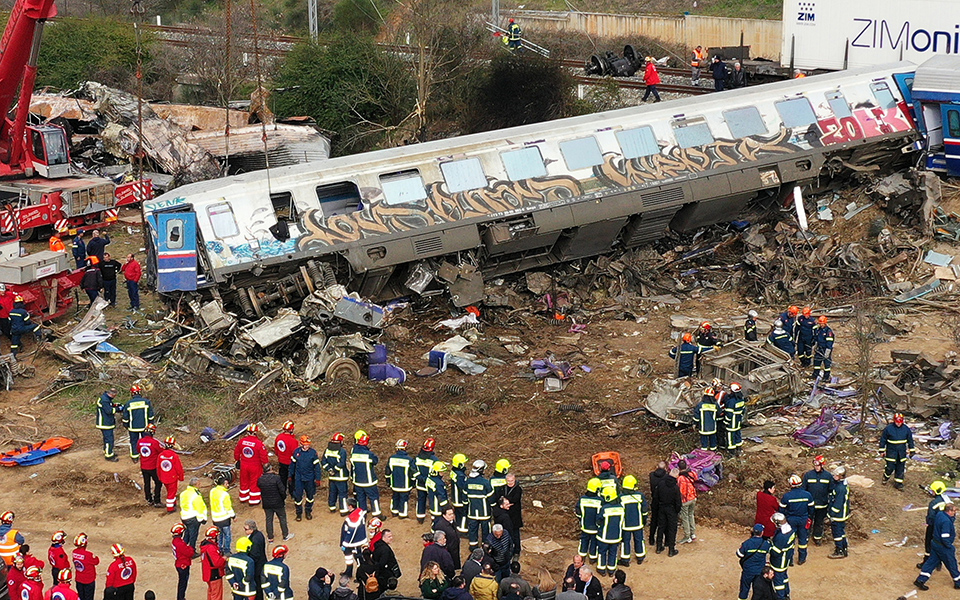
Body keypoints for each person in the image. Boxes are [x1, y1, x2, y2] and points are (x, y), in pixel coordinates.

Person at [915, 502, 960, 590]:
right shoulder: (946, 522)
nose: (955, 513)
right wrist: (950, 546)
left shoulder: (940, 514)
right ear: (949, 511)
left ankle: (921, 579)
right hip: (943, 546)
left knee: (931, 562)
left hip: (935, 543)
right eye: (954, 511)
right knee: (951, 563)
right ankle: (958, 582)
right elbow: (945, 537)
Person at [779, 475, 814, 565]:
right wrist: (809, 517)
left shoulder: (787, 496)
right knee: (803, 540)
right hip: (803, 519)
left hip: (791, 520)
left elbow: (781, 510)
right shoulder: (807, 495)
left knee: (790, 539)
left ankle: (790, 559)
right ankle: (802, 559)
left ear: (791, 484)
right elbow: (811, 509)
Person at [235, 424, 270, 506]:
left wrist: (238, 460)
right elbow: (263, 457)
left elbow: (236, 453)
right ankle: (254, 500)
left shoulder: (241, 441)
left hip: (244, 464)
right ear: (255, 433)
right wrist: (265, 464)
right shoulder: (259, 444)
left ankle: (243, 497)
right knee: (254, 482)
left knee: (244, 481)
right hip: (255, 465)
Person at [919, 481, 952, 568]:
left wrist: (929, 524)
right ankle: (938, 563)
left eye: (932, 491)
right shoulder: (948, 501)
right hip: (945, 527)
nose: (931, 492)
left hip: (934, 527)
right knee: (940, 544)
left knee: (929, 544)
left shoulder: (933, 503)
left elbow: (931, 517)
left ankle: (926, 562)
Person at [801, 455, 832, 546]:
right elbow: (804, 489)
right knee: (807, 522)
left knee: (819, 523)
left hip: (822, 505)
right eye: (815, 465)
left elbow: (831, 490)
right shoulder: (808, 475)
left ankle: (817, 538)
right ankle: (805, 537)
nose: (816, 467)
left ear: (822, 465)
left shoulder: (828, 476)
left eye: (818, 465)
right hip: (810, 505)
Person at [464, 460, 494, 551]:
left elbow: (464, 498)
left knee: (472, 530)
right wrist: (494, 506)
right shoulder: (485, 482)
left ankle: (473, 546)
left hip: (472, 512)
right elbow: (491, 498)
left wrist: (466, 507)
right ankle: (485, 546)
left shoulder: (467, 482)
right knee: (486, 530)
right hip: (484, 513)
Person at [258, 463, 293, 542]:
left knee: (269, 520)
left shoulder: (260, 479)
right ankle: (285, 535)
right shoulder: (276, 478)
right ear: (270, 469)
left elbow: (260, 487)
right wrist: (283, 498)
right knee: (282, 518)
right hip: (278, 503)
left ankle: (270, 537)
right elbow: (282, 490)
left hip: (267, 503)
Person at [291, 435, 322, 522]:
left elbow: (317, 467)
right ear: (301, 444)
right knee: (298, 497)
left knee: (310, 496)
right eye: (305, 444)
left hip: (309, 478)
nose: (307, 446)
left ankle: (308, 511)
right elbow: (292, 465)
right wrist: (290, 476)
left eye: (308, 444)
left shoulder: (313, 453)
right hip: (299, 479)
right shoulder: (296, 452)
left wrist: (318, 478)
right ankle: (298, 513)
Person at [881, 412, 916, 490]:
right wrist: (881, 450)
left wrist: (912, 450)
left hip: (901, 452)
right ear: (894, 420)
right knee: (890, 467)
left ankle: (898, 483)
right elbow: (883, 440)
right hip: (891, 451)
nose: (898, 424)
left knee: (900, 468)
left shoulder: (906, 429)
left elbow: (910, 440)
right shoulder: (888, 428)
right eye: (897, 422)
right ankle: (886, 477)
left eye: (900, 422)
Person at [351, 430, 382, 517]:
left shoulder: (354, 453)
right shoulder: (369, 454)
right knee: (374, 497)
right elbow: (375, 461)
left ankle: (362, 515)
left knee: (361, 499)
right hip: (369, 481)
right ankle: (377, 514)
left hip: (358, 481)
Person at [594, 487, 623, 577]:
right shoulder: (621, 508)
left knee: (602, 552)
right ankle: (611, 570)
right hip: (616, 536)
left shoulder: (604, 508)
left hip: (604, 536)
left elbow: (598, 521)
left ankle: (601, 569)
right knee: (613, 553)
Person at [618, 475, 647, 566]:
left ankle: (625, 560)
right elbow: (644, 510)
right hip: (638, 523)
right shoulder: (639, 496)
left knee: (625, 541)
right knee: (639, 540)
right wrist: (644, 520)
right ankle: (640, 557)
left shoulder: (620, 497)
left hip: (625, 524)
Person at [737, 524, 770, 600]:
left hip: (748, 570)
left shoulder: (747, 543)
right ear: (762, 533)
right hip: (759, 571)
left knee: (744, 589)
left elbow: (739, 554)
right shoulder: (766, 544)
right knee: (758, 590)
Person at [122, 385, 154, 462]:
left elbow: (125, 417)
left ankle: (135, 457)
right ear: (140, 392)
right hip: (145, 427)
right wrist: (151, 424)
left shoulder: (128, 403)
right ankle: (147, 455)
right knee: (147, 441)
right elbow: (151, 415)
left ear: (132, 393)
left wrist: (126, 425)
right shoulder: (146, 402)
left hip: (133, 427)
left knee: (134, 442)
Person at [655, 468, 681, 557]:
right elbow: (678, 502)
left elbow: (656, 496)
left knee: (661, 527)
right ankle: (671, 549)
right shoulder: (675, 488)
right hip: (671, 509)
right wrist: (677, 511)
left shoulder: (661, 483)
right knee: (672, 529)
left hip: (662, 507)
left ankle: (659, 546)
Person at [322, 432, 350, 514]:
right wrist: (335, 470)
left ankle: (332, 507)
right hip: (341, 477)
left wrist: (329, 470)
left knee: (332, 492)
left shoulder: (327, 450)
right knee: (342, 493)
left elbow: (323, 462)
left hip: (331, 477)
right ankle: (343, 510)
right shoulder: (342, 451)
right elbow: (342, 463)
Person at [768, 513, 794, 600]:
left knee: (778, 581)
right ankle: (786, 594)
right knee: (784, 577)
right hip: (786, 559)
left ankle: (781, 597)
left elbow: (775, 552)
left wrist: (769, 546)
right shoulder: (789, 530)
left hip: (779, 562)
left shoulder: (781, 537)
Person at [388, 439, 416, 519]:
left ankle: (394, 511)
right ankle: (403, 514)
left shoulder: (391, 458)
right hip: (405, 484)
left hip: (394, 484)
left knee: (395, 497)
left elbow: (388, 471)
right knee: (404, 499)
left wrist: (389, 481)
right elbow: (412, 473)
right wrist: (413, 482)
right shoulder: (409, 460)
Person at [180, 477, 209, 553]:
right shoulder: (195, 495)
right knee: (193, 535)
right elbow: (200, 508)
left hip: (184, 516)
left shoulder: (183, 493)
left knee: (187, 534)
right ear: (196, 485)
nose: (200, 485)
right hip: (192, 517)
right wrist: (203, 518)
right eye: (199, 484)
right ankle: (191, 551)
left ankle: (182, 548)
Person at [137, 423, 163, 507]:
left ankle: (148, 499)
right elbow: (161, 451)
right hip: (153, 467)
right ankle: (157, 500)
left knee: (147, 483)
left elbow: (138, 450)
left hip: (143, 466)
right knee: (158, 483)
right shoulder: (154, 442)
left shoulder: (140, 441)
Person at [340, 498, 367, 577]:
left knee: (358, 559)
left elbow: (351, 532)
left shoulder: (353, 517)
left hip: (354, 543)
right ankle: (348, 572)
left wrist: (345, 543)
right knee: (348, 557)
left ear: (351, 506)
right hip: (356, 541)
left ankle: (361, 575)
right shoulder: (359, 512)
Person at [828, 466, 851, 559]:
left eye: (836, 475)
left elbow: (837, 504)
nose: (834, 476)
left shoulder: (840, 488)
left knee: (837, 533)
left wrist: (831, 514)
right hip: (843, 514)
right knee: (841, 532)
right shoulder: (842, 485)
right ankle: (844, 547)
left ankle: (839, 550)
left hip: (838, 515)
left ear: (840, 476)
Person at [211, 474, 236, 556]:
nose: (228, 485)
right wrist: (233, 516)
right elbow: (228, 507)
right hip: (224, 518)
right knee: (227, 535)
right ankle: (227, 551)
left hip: (215, 518)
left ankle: (219, 549)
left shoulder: (212, 491)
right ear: (223, 484)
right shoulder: (225, 494)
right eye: (226, 484)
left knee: (219, 535)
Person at [159, 435, 185, 512]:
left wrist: (160, 477)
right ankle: (170, 508)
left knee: (170, 491)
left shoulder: (161, 455)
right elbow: (179, 468)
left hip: (164, 477)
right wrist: (181, 477)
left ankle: (173, 503)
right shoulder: (174, 456)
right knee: (171, 493)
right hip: (172, 478)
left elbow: (158, 467)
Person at [415, 438, 439, 523]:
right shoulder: (434, 460)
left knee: (421, 499)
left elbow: (414, 470)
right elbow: (437, 473)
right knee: (432, 501)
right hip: (430, 485)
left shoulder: (417, 458)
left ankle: (420, 517)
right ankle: (434, 518)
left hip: (420, 484)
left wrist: (420, 478)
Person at [201, 528, 227, 600]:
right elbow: (217, 563)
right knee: (216, 595)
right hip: (214, 574)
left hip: (208, 574)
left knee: (211, 593)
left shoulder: (205, 546)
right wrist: (224, 558)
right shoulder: (211, 548)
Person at [96, 387, 120, 462]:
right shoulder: (105, 400)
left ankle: (107, 450)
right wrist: (118, 409)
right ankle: (109, 455)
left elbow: (109, 406)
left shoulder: (105, 398)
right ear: (112, 394)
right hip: (105, 423)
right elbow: (109, 411)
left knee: (106, 438)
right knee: (109, 439)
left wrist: (115, 405)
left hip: (105, 422)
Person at [244, 522, 267, 600]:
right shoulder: (258, 534)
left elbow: (255, 555)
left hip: (257, 566)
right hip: (261, 563)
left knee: (257, 587)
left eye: (246, 529)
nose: (245, 531)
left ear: (251, 529)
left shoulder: (255, 539)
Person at [71, 533, 98, 600]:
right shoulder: (88, 555)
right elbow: (96, 561)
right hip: (89, 580)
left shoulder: (74, 552)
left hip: (79, 579)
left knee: (81, 597)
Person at [677, 460, 698, 544]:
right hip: (693, 497)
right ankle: (693, 534)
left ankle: (687, 536)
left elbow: (679, 489)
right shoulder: (692, 473)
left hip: (685, 500)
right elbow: (696, 477)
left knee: (685, 518)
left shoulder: (680, 478)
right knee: (691, 515)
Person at [502, 473, 523, 557]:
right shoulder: (503, 488)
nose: (510, 483)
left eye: (512, 481)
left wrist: (506, 500)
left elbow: (515, 499)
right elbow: (499, 497)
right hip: (506, 514)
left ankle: (517, 550)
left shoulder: (518, 489)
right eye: (508, 481)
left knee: (515, 534)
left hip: (515, 515)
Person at [171, 524, 193, 600]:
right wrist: (190, 548)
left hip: (179, 563)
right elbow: (190, 553)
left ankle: (181, 597)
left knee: (182, 583)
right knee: (183, 583)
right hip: (183, 565)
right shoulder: (180, 543)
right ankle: (181, 598)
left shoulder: (176, 541)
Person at [274, 421, 297, 494]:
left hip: (281, 461)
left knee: (282, 477)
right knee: (292, 478)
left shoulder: (279, 437)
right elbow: (295, 453)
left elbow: (276, 450)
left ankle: (282, 491)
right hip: (290, 462)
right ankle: (292, 492)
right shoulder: (293, 441)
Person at [449, 454, 470, 534]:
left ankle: (457, 527)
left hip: (455, 498)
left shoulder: (454, 472)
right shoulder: (460, 476)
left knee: (458, 515)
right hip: (460, 499)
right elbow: (462, 487)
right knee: (463, 515)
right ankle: (463, 531)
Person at [647, 462, 666, 546]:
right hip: (662, 501)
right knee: (663, 520)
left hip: (654, 500)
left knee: (654, 520)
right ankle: (664, 540)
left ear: (657, 466)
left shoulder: (651, 475)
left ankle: (651, 539)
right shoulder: (666, 477)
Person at [725, 383, 746, 455]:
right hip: (738, 421)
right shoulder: (741, 400)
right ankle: (739, 448)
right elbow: (743, 410)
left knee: (730, 436)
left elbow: (729, 414)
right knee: (738, 434)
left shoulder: (731, 401)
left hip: (732, 423)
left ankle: (732, 451)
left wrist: (726, 421)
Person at [812, 316, 834, 380]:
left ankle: (826, 377)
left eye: (822, 323)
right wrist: (815, 345)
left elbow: (829, 342)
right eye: (820, 323)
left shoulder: (828, 331)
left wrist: (828, 351)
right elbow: (816, 338)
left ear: (825, 323)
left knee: (827, 364)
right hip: (819, 348)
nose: (821, 325)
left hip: (826, 349)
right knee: (816, 362)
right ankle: (815, 375)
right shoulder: (818, 330)